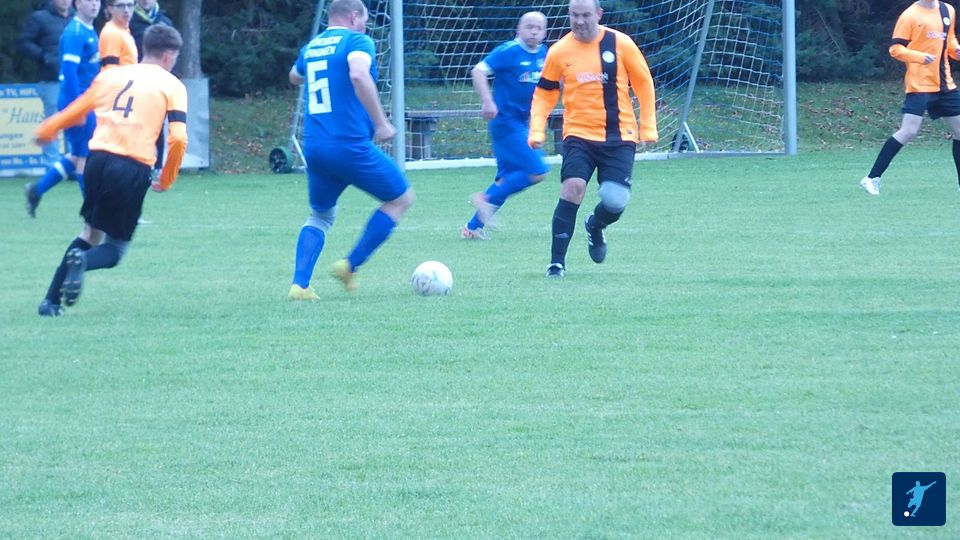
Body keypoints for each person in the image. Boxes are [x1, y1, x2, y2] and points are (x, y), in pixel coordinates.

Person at [33, 24, 188, 316]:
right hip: (131, 166)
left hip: (97, 160)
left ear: (144, 48)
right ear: (169, 56)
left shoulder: (111, 76)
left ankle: (50, 302)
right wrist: (167, 177)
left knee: (90, 233)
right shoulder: (172, 85)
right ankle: (82, 262)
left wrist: (47, 130)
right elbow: (178, 138)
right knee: (115, 250)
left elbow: (76, 109)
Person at [287, 0, 415, 300]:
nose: (365, 27)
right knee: (401, 199)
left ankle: (300, 285)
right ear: (354, 16)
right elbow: (358, 74)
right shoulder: (356, 41)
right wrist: (381, 123)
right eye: (365, 21)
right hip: (348, 145)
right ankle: (350, 265)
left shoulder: (313, 46)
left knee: (320, 215)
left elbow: (294, 76)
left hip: (315, 147)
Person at [528, 0, 657, 277]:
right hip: (579, 135)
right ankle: (556, 264)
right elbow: (545, 93)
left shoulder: (620, 43)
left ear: (598, 14)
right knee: (572, 187)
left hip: (619, 135)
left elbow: (644, 83)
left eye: (586, 15)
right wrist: (537, 129)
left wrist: (648, 126)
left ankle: (595, 224)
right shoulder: (559, 51)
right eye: (574, 15)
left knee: (615, 200)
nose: (580, 21)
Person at [461, 12, 549, 240]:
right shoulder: (508, 51)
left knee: (506, 178)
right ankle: (485, 199)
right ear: (518, 29)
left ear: (544, 32)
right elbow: (478, 71)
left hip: (522, 122)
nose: (533, 31)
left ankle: (472, 228)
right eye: (529, 26)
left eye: (538, 28)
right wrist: (487, 101)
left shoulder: (544, 53)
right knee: (537, 171)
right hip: (505, 122)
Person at [861, 0, 960, 195]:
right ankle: (871, 178)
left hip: (945, 85)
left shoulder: (947, 10)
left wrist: (956, 51)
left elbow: (949, 41)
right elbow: (895, 49)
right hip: (919, 84)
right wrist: (920, 57)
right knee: (909, 131)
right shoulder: (910, 15)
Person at [24, 0, 102, 219]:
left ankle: (37, 190)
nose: (94, 4)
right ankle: (92, 213)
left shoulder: (88, 29)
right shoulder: (75, 32)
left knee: (76, 155)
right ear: (78, 4)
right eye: (89, 1)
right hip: (79, 102)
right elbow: (69, 72)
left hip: (85, 102)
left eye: (97, 0)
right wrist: (77, 109)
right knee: (86, 156)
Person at [18, 0, 73, 167]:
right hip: (51, 78)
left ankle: (73, 162)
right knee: (52, 122)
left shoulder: (76, 18)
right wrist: (43, 57)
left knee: (74, 121)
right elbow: (24, 42)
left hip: (73, 79)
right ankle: (52, 165)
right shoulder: (39, 17)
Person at [129, 0, 176, 180]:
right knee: (134, 121)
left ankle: (157, 167)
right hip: (135, 80)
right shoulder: (130, 20)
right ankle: (135, 161)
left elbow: (173, 50)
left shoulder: (164, 21)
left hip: (158, 81)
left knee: (157, 123)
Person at [99, 0, 138, 70]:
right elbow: (109, 70)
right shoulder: (111, 33)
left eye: (129, 5)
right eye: (121, 6)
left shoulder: (124, 30)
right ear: (110, 9)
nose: (126, 10)